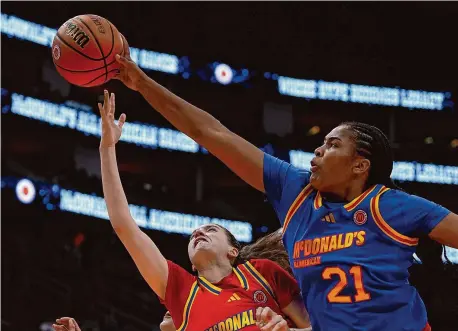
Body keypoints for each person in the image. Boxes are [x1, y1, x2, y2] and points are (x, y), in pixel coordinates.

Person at [112, 34, 458, 331]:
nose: (318, 151)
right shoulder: (295, 190)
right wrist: (142, 83)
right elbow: (211, 133)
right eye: (321, 143)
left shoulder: (392, 206)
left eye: (333, 145)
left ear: (360, 165)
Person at [96, 90, 311, 331]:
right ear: (192, 266)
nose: (199, 232)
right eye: (194, 235)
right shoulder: (182, 292)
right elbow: (124, 226)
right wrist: (107, 148)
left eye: (211, 229)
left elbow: (318, 327)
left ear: (233, 251)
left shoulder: (261, 272)